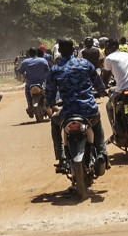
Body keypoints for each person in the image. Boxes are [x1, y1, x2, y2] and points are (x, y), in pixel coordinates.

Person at [46, 38, 108, 173]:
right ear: (74, 50)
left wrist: (50, 105)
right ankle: (102, 153)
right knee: (97, 122)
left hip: (68, 112)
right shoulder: (85, 64)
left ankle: (61, 156)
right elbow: (98, 83)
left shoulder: (55, 69)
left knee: (54, 122)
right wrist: (103, 92)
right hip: (88, 110)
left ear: (59, 51)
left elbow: (50, 93)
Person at [16, 48, 51, 118]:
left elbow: (19, 71)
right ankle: (49, 105)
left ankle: (29, 105)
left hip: (30, 84)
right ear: (37, 53)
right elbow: (48, 71)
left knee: (27, 91)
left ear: (29, 53)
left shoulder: (25, 62)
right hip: (42, 84)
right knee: (48, 91)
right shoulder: (43, 60)